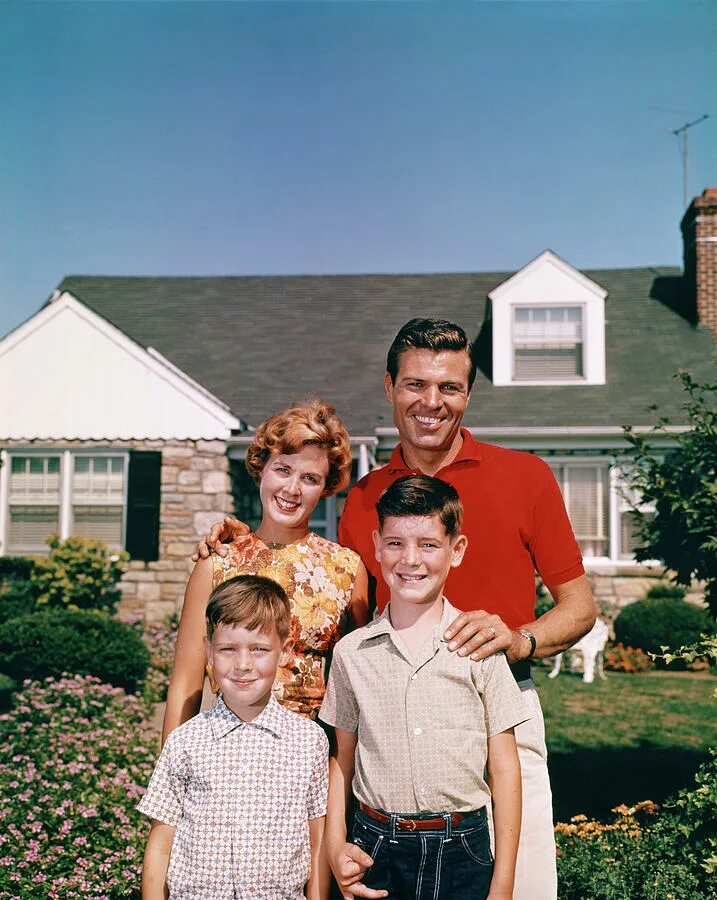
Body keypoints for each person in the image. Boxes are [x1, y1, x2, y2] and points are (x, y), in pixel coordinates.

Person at [199, 318, 597, 899]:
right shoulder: (364, 499)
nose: (431, 402)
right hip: (391, 721)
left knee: (520, 885)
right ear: (389, 387)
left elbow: (579, 606)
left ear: (467, 394)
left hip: (501, 706)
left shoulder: (526, 477)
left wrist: (518, 639)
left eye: (449, 387)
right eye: (415, 384)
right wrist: (240, 542)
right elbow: (320, 575)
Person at [320, 475, 525, 900]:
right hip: (375, 848)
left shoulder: (480, 647)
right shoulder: (351, 653)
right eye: (395, 543)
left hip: (463, 850)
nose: (410, 559)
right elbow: (342, 760)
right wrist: (336, 845)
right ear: (376, 546)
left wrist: (503, 884)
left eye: (428, 544)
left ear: (457, 550)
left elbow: (504, 769)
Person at [164, 399, 369, 744]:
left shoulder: (346, 569)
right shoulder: (218, 563)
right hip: (227, 750)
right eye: (283, 470)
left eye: (310, 478)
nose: (292, 489)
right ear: (262, 468)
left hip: (310, 757)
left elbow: (356, 690)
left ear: (326, 487)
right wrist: (167, 780)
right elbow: (185, 684)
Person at [139, 574, 329, 900]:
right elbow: (160, 845)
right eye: (228, 649)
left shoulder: (309, 742)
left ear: (284, 651)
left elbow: (317, 844)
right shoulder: (185, 742)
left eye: (259, 649)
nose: (242, 665)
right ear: (209, 652)